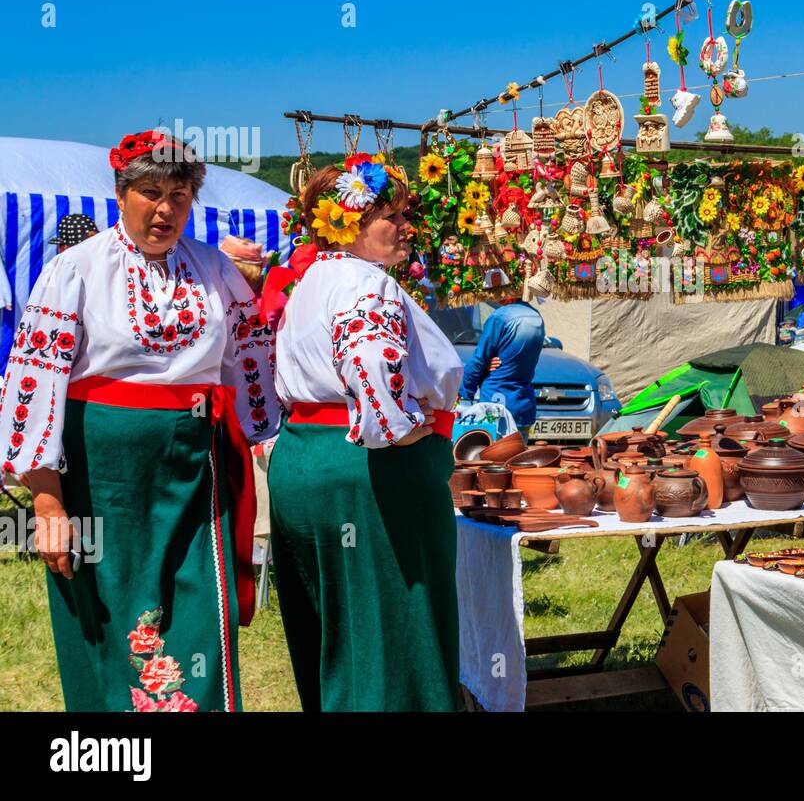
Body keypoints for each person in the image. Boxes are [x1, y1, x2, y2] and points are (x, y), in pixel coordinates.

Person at [0, 130, 279, 711]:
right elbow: (36, 380)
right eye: (150, 192)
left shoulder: (213, 269)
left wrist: (264, 436)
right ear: (122, 194)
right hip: (104, 477)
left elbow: (248, 358)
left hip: (192, 471)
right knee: (111, 605)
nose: (165, 208)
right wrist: (47, 505)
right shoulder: (74, 271)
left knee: (201, 601)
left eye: (179, 194)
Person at [266, 153, 463, 711]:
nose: (406, 227)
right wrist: (397, 427)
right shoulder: (363, 282)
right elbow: (368, 357)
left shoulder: (307, 281)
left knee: (335, 630)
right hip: (368, 471)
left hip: (304, 462)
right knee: (394, 629)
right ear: (349, 220)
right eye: (391, 216)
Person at [459, 297, 545, 440]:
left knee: (492, 459)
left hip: (496, 404)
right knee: (518, 458)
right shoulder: (536, 316)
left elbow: (479, 358)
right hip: (523, 403)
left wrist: (464, 395)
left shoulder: (500, 316)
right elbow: (516, 358)